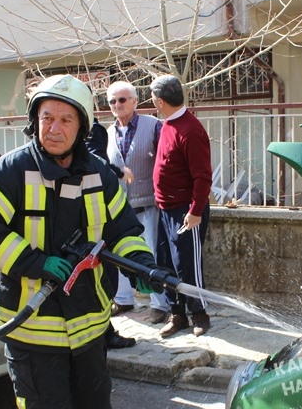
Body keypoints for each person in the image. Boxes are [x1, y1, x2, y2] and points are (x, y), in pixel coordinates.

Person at [0, 75, 156, 409]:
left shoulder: (100, 174)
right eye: (46, 117)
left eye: (65, 118)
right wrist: (35, 262)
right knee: (44, 407)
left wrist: (142, 266)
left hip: (88, 317)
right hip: (32, 324)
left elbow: (123, 230)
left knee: (94, 394)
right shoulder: (10, 172)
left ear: (82, 126)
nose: (54, 127)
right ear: (35, 122)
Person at [149, 74, 212, 337]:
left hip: (186, 210)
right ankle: (177, 315)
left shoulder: (191, 129)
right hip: (165, 208)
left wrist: (195, 211)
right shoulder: (167, 124)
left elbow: (203, 176)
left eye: (153, 98)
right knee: (166, 263)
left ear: (161, 101)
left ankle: (199, 315)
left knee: (188, 264)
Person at [105, 81, 170, 324]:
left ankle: (159, 304)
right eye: (112, 101)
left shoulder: (152, 126)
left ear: (134, 101)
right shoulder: (108, 133)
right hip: (119, 208)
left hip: (149, 203)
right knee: (118, 254)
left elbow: (167, 159)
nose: (117, 105)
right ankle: (123, 299)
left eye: (122, 100)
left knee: (151, 254)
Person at [85, 116, 137, 350]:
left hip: (97, 220)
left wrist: (140, 263)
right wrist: (116, 170)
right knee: (103, 281)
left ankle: (103, 331)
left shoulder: (91, 128)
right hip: (90, 222)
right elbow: (94, 158)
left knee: (105, 281)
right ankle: (104, 333)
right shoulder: (94, 129)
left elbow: (125, 228)